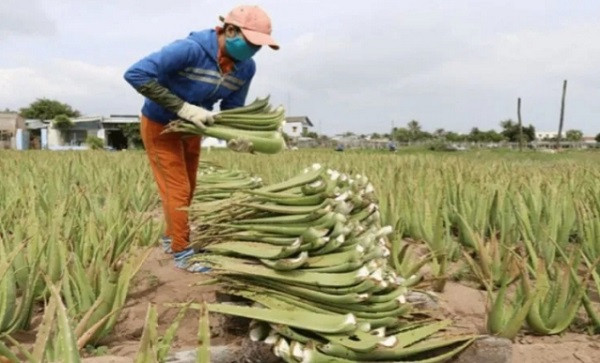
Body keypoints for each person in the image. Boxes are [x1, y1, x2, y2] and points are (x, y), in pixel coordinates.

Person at [123, 5, 279, 272]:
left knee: (189, 188)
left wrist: (236, 138)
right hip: (160, 125)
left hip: (193, 130)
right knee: (178, 189)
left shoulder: (245, 68)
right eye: (251, 43)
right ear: (230, 30)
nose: (253, 51)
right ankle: (182, 252)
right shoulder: (189, 49)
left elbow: (232, 110)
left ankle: (171, 238)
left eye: (259, 46)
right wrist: (183, 108)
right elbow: (135, 74)